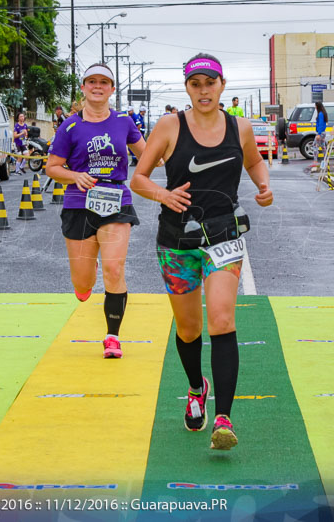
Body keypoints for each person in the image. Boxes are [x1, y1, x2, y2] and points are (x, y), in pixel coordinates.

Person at [130, 53, 273, 451]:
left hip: (225, 235)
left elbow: (255, 161)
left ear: (222, 85)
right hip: (177, 241)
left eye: (210, 82)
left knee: (223, 321)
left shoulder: (239, 127)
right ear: (187, 88)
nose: (204, 90)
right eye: (196, 84)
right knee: (189, 328)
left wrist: (263, 186)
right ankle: (197, 387)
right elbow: (138, 178)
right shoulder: (169, 126)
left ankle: (223, 419)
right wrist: (163, 193)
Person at [44, 64, 148, 360]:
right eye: (92, 82)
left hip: (116, 200)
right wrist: (74, 176)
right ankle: (83, 286)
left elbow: (149, 154)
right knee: (84, 281)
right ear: (84, 88)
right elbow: (52, 167)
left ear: (112, 89)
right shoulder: (70, 126)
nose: (98, 86)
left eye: (104, 82)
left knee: (114, 269)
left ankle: (112, 337)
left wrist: (174, 149)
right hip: (78, 204)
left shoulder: (124, 122)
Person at [312, 99, 328, 169]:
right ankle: (326, 160)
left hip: (320, 133)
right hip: (323, 132)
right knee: (323, 147)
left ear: (317, 106)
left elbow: (321, 124)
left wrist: (318, 133)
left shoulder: (320, 114)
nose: (315, 107)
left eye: (315, 106)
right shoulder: (322, 113)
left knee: (315, 146)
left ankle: (315, 162)